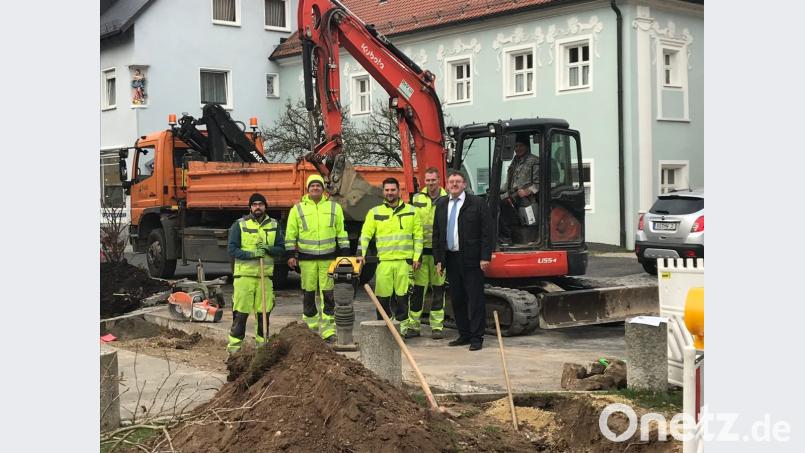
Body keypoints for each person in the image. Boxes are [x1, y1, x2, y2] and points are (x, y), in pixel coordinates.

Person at [285, 174, 350, 343]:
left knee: (328, 295)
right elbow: (290, 235)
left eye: (318, 186)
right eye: (312, 186)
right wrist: (291, 255)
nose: (315, 188)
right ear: (308, 189)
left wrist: (344, 253)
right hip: (307, 261)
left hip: (328, 260)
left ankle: (328, 330)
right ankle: (310, 329)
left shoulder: (334, 208)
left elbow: (341, 232)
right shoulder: (297, 209)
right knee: (308, 294)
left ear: (323, 189)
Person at [433, 170, 494, 351]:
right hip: (451, 259)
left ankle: (477, 337)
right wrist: (439, 260)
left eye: (458, 182)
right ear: (447, 185)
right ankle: (464, 334)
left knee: (475, 299)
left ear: (464, 184)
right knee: (457, 299)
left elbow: (487, 232)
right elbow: (437, 234)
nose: (454, 184)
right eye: (451, 182)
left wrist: (485, 257)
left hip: (472, 259)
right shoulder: (442, 204)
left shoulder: (477, 203)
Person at [358, 178, 423, 330]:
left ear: (398, 191)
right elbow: (365, 235)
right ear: (383, 192)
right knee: (382, 298)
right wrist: (360, 254)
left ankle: (402, 330)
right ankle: (384, 329)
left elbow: (418, 237)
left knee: (403, 299)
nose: (390, 193)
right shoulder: (375, 212)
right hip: (384, 263)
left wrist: (416, 257)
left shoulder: (412, 211)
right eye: (387, 190)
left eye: (393, 190)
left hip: (404, 262)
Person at [226, 193, 285, 353]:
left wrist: (268, 249)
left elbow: (281, 249)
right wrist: (252, 254)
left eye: (261, 204)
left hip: (264, 278)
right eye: (254, 204)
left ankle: (262, 350)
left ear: (265, 207)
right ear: (250, 207)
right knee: (240, 315)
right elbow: (232, 249)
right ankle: (234, 351)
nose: (258, 207)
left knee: (263, 315)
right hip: (244, 278)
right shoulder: (240, 225)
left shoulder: (274, 225)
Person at [405, 167, 448, 339]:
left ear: (439, 180)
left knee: (438, 291)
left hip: (439, 254)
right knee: (417, 291)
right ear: (424, 181)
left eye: (433, 180)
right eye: (428, 180)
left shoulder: (447, 199)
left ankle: (437, 327)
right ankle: (413, 326)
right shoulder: (416, 199)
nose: (430, 183)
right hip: (421, 253)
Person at [500, 134, 540, 241]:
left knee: (502, 205)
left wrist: (527, 191)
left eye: (521, 145)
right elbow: (509, 182)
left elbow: (540, 183)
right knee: (493, 202)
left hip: (526, 199)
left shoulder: (535, 161)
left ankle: (507, 238)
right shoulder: (514, 162)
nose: (518, 149)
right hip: (513, 194)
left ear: (527, 146)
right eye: (516, 146)